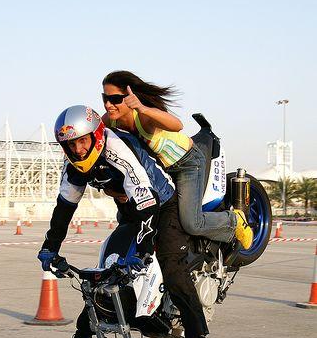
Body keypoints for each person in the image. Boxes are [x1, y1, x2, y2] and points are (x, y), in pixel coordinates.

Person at [38, 105, 218, 338]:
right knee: (106, 271)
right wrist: (49, 247)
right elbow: (64, 207)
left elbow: (148, 203)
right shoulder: (73, 165)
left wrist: (144, 250)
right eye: (70, 145)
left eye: (82, 141)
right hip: (131, 209)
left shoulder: (116, 149)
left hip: (161, 204)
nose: (77, 150)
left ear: (97, 135)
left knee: (172, 267)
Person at [101, 70, 253, 250]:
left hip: (187, 164)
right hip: (159, 171)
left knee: (191, 223)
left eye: (115, 99)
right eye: (105, 98)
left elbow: (177, 125)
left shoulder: (142, 117)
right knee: (130, 217)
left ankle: (235, 220)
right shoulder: (110, 122)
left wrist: (142, 108)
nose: (109, 105)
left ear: (129, 97)